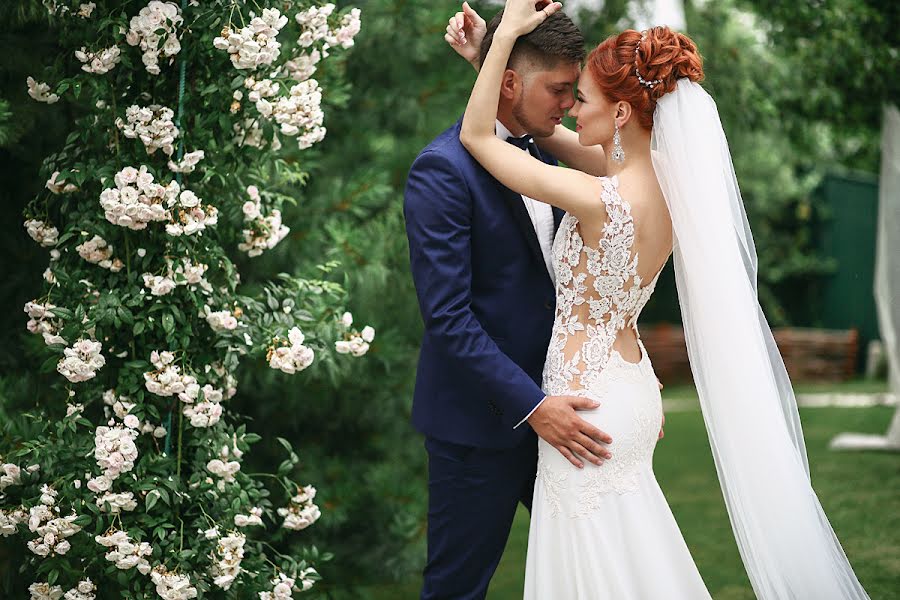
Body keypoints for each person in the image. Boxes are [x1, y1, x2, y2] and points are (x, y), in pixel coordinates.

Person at [453, 1, 871, 598]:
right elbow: (543, 131)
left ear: (622, 111)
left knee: (597, 569)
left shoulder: (601, 199)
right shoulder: (666, 181)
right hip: (629, 389)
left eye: (586, 99)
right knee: (634, 553)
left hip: (587, 400)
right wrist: (486, 63)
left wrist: (509, 36)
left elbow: (475, 138)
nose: (573, 107)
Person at [403, 7, 636, 599]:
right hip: (481, 425)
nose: (568, 104)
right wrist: (534, 407)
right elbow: (449, 319)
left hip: (572, 412)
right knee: (458, 588)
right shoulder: (441, 171)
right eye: (559, 89)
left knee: (600, 571)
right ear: (510, 84)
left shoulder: (548, 154)